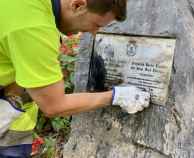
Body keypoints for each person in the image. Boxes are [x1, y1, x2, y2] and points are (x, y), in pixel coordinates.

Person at [0, 0, 150, 157]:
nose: (94, 33)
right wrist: (116, 96)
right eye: (96, 24)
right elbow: (54, 106)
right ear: (78, 5)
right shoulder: (33, 26)